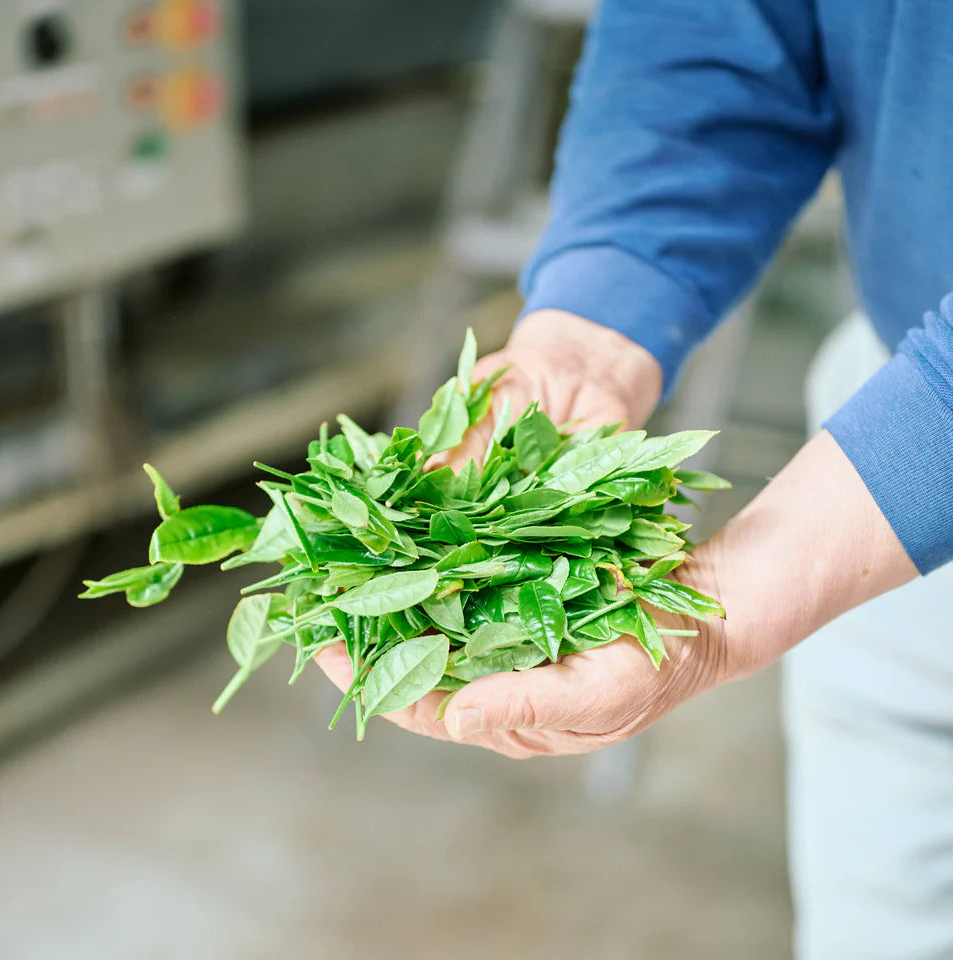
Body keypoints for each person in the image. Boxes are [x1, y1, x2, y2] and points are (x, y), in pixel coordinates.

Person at [318, 2, 953, 956]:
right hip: (891, 427)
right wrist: (590, 328)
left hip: (904, 456)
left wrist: (730, 606)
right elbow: (720, 25)